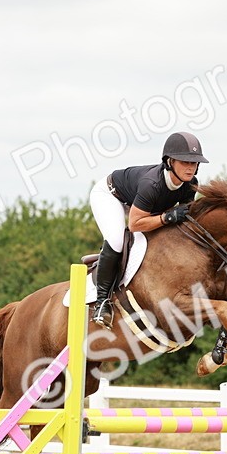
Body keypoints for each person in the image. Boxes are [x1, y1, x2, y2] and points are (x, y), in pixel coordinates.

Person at [87, 131, 209, 327]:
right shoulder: (152, 184)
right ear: (170, 162)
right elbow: (135, 224)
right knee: (117, 240)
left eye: (194, 163)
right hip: (111, 196)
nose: (190, 167)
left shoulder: (190, 184)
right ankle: (102, 302)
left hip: (142, 205)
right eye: (185, 162)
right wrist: (166, 217)